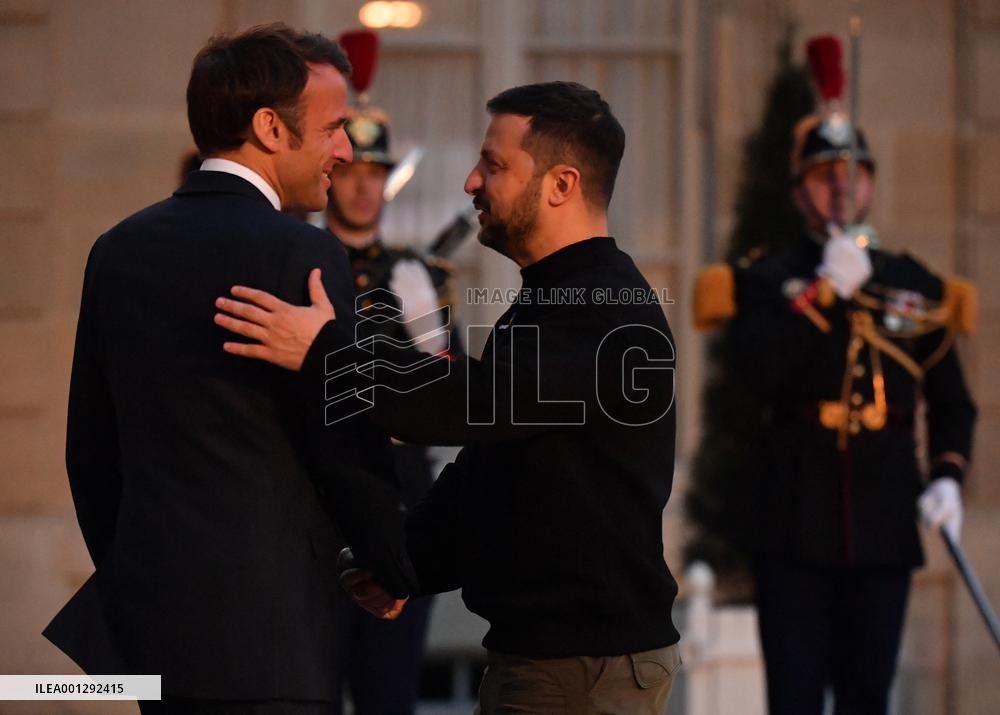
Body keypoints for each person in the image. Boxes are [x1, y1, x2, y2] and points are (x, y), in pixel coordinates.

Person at [215, 81, 682, 714]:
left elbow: (474, 402)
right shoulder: (551, 297)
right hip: (551, 661)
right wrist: (403, 561)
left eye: (494, 165)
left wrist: (325, 349)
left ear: (561, 184)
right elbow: (490, 469)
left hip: (583, 670)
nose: (471, 182)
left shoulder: (606, 309)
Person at [43, 23, 416, 714]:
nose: (344, 148)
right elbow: (344, 445)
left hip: (157, 639)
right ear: (271, 128)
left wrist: (139, 585)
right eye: (334, 127)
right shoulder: (305, 256)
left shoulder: (117, 250)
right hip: (275, 641)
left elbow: (90, 454)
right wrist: (388, 563)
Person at [695, 35, 977, 715]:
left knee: (866, 698)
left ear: (873, 184)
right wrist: (823, 294)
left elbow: (952, 400)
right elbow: (758, 368)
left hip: (882, 520)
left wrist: (946, 474)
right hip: (794, 521)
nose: (840, 189)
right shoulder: (765, 278)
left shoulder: (913, 285)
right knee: (793, 697)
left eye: (853, 175)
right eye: (825, 177)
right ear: (799, 192)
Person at [324, 80, 457, 715]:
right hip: (317, 503)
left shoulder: (417, 275)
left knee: (388, 694)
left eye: (374, 172)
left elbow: (448, 395)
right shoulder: (300, 260)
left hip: (400, 500)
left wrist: (428, 334)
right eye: (350, 170)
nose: (361, 186)